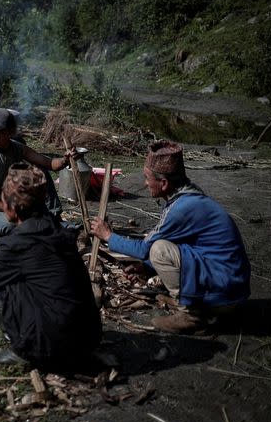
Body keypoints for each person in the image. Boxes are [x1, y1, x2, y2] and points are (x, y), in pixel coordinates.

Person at [90, 140, 251, 334]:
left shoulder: (182, 208)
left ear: (164, 183)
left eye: (147, 178)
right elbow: (183, 243)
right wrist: (147, 268)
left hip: (226, 294)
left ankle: (191, 317)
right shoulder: (186, 195)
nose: (145, 183)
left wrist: (108, 235)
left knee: (158, 248)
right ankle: (191, 302)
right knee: (159, 247)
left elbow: (144, 249)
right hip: (230, 287)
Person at [0, 164, 101, 368]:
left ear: (12, 206)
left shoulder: (19, 243)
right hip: (89, 340)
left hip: (54, 351)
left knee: (6, 288)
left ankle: (24, 349)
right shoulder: (55, 228)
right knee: (12, 279)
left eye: (3, 198)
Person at [0, 108, 70, 235]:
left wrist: (65, 160)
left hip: (12, 204)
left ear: (10, 132)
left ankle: (54, 218)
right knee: (13, 225)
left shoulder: (17, 148)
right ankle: (43, 226)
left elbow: (49, 163)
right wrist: (7, 209)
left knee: (41, 171)